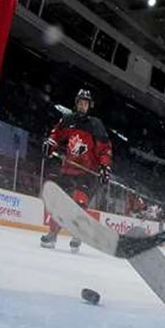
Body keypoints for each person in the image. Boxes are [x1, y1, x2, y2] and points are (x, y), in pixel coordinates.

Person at [41, 89, 112, 253]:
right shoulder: (68, 120)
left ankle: (77, 233)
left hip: (88, 173)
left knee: (79, 202)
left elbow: (105, 149)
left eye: (85, 103)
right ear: (76, 103)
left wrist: (104, 166)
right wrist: (50, 144)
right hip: (69, 169)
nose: (82, 106)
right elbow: (55, 135)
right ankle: (52, 233)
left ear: (89, 106)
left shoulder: (96, 124)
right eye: (80, 102)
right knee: (60, 203)